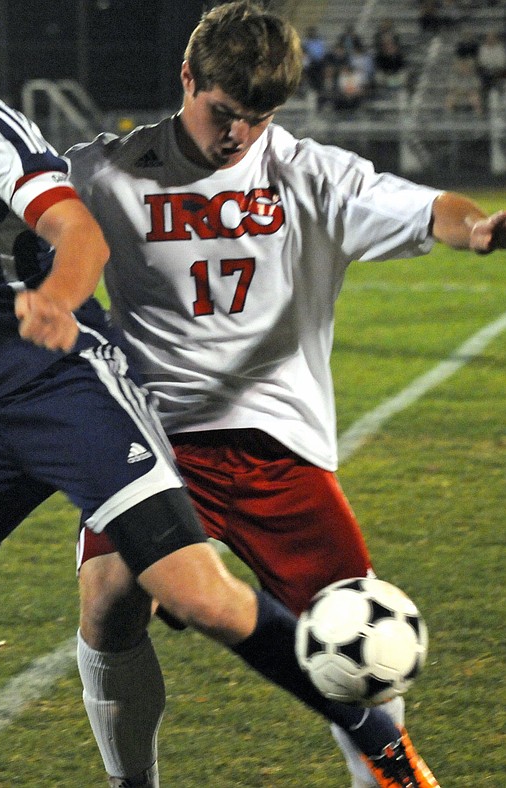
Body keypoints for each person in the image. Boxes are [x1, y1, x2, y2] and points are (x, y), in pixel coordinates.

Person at [0, 2, 453, 787]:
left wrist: (57, 297)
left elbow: (79, 230)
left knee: (199, 597)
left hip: (69, 393)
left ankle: (367, 725)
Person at [68, 2, 506, 786]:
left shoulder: (308, 174)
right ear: (188, 79)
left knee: (357, 633)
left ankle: (391, 773)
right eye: (224, 112)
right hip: (156, 448)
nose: (238, 134)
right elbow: (17, 206)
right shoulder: (107, 171)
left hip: (279, 446)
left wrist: (473, 230)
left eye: (258, 118)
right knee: (105, 601)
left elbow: (428, 206)